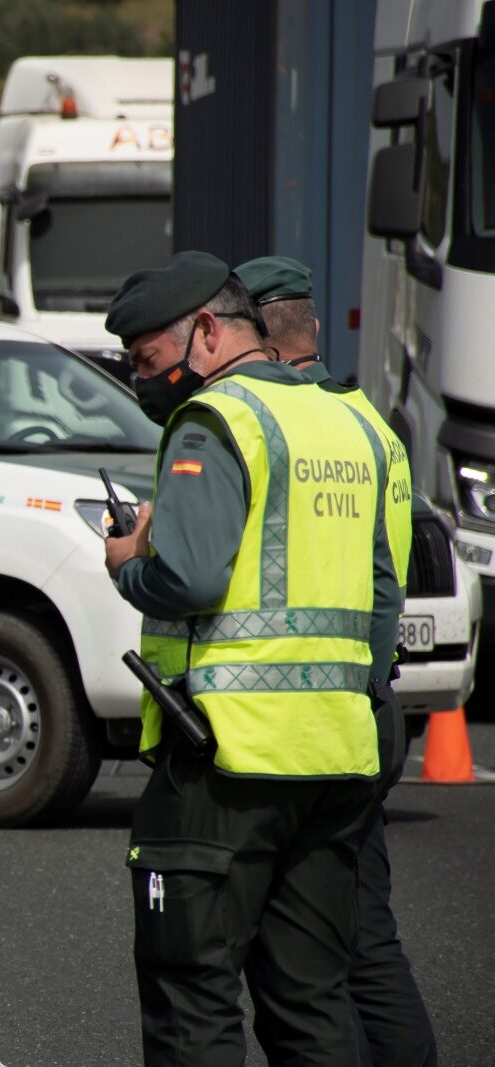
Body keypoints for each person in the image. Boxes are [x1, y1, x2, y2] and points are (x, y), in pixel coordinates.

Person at [102, 251, 399, 1065]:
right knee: (310, 998)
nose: (143, 377)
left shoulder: (215, 420)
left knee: (189, 993)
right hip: (337, 754)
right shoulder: (350, 421)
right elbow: (382, 590)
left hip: (229, 757)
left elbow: (188, 575)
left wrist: (127, 557)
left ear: (205, 330)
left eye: (148, 358)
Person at [235, 255, 436, 1066]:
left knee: (341, 945)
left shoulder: (279, 426)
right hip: (367, 696)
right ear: (313, 327)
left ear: (256, 334)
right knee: (351, 931)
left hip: (315, 709)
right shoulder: (369, 428)